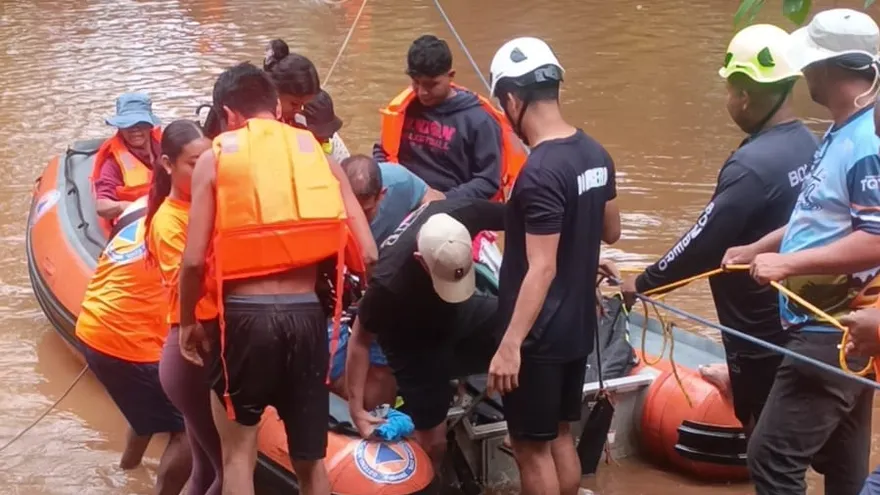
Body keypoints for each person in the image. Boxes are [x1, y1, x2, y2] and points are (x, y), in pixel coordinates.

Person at [178, 62, 377, 495]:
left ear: (229, 116)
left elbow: (192, 262)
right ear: (275, 106)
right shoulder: (319, 156)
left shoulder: (214, 159)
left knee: (237, 458)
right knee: (312, 466)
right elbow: (370, 254)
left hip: (244, 322)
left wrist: (188, 322)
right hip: (308, 319)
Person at [620, 24, 818, 433]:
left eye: (730, 91)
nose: (730, 100)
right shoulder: (809, 144)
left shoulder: (750, 167)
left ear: (744, 96)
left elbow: (702, 242)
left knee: (766, 447)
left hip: (758, 333)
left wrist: (642, 282)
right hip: (798, 319)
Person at [723, 9, 880, 494]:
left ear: (831, 69)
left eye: (811, 64)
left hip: (829, 325)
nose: (805, 74)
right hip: (844, 328)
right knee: (845, 464)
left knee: (770, 457)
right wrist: (760, 247)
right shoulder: (842, 130)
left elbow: (875, 237)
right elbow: (820, 216)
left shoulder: (867, 142)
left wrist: (788, 263)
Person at [484, 37, 620, 495]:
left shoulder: (540, 170)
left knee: (529, 446)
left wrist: (510, 345)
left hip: (539, 334)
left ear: (512, 99)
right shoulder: (595, 154)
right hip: (577, 325)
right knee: (559, 432)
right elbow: (611, 231)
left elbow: (540, 268)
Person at [346, 198, 505, 468]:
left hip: (457, 311)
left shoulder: (460, 213)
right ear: (421, 260)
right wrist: (357, 409)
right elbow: (359, 342)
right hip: (411, 338)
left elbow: (530, 219)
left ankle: (525, 425)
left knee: (528, 326)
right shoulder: (388, 282)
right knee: (434, 442)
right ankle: (431, 479)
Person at [74, 198, 191, 494]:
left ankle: (128, 470)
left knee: (146, 408)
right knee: (189, 432)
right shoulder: (192, 224)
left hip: (95, 322)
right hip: (127, 339)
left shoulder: (144, 207)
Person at [145, 119, 223, 495]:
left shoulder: (207, 207)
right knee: (228, 471)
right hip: (189, 354)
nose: (205, 169)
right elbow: (191, 283)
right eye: (194, 162)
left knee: (206, 470)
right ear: (167, 164)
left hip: (195, 354)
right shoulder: (169, 220)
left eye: (210, 159)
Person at [375, 34, 527, 200]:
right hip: (403, 196)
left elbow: (488, 182)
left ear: (451, 76)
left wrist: (443, 198)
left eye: (431, 85)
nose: (422, 92)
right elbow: (382, 150)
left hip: (452, 204)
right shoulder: (404, 109)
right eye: (416, 82)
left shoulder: (479, 120)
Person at [93, 93, 162, 221]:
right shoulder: (112, 163)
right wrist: (133, 207)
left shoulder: (167, 148)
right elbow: (102, 206)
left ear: (150, 125)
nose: (134, 129)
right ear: (120, 128)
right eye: (128, 125)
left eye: (140, 124)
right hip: (136, 221)